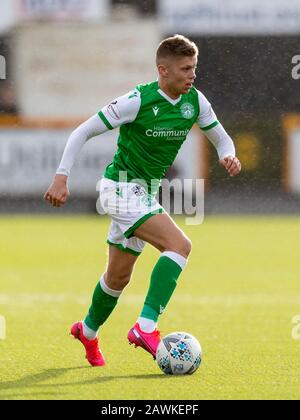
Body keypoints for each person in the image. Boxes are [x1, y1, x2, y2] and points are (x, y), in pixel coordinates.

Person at [44, 34, 241, 367]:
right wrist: (62, 176)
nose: (192, 75)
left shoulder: (196, 101)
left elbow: (220, 138)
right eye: (185, 68)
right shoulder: (137, 100)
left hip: (143, 193)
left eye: (194, 67)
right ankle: (145, 327)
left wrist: (228, 155)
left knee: (118, 278)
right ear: (163, 70)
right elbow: (83, 131)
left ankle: (87, 332)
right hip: (119, 188)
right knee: (180, 246)